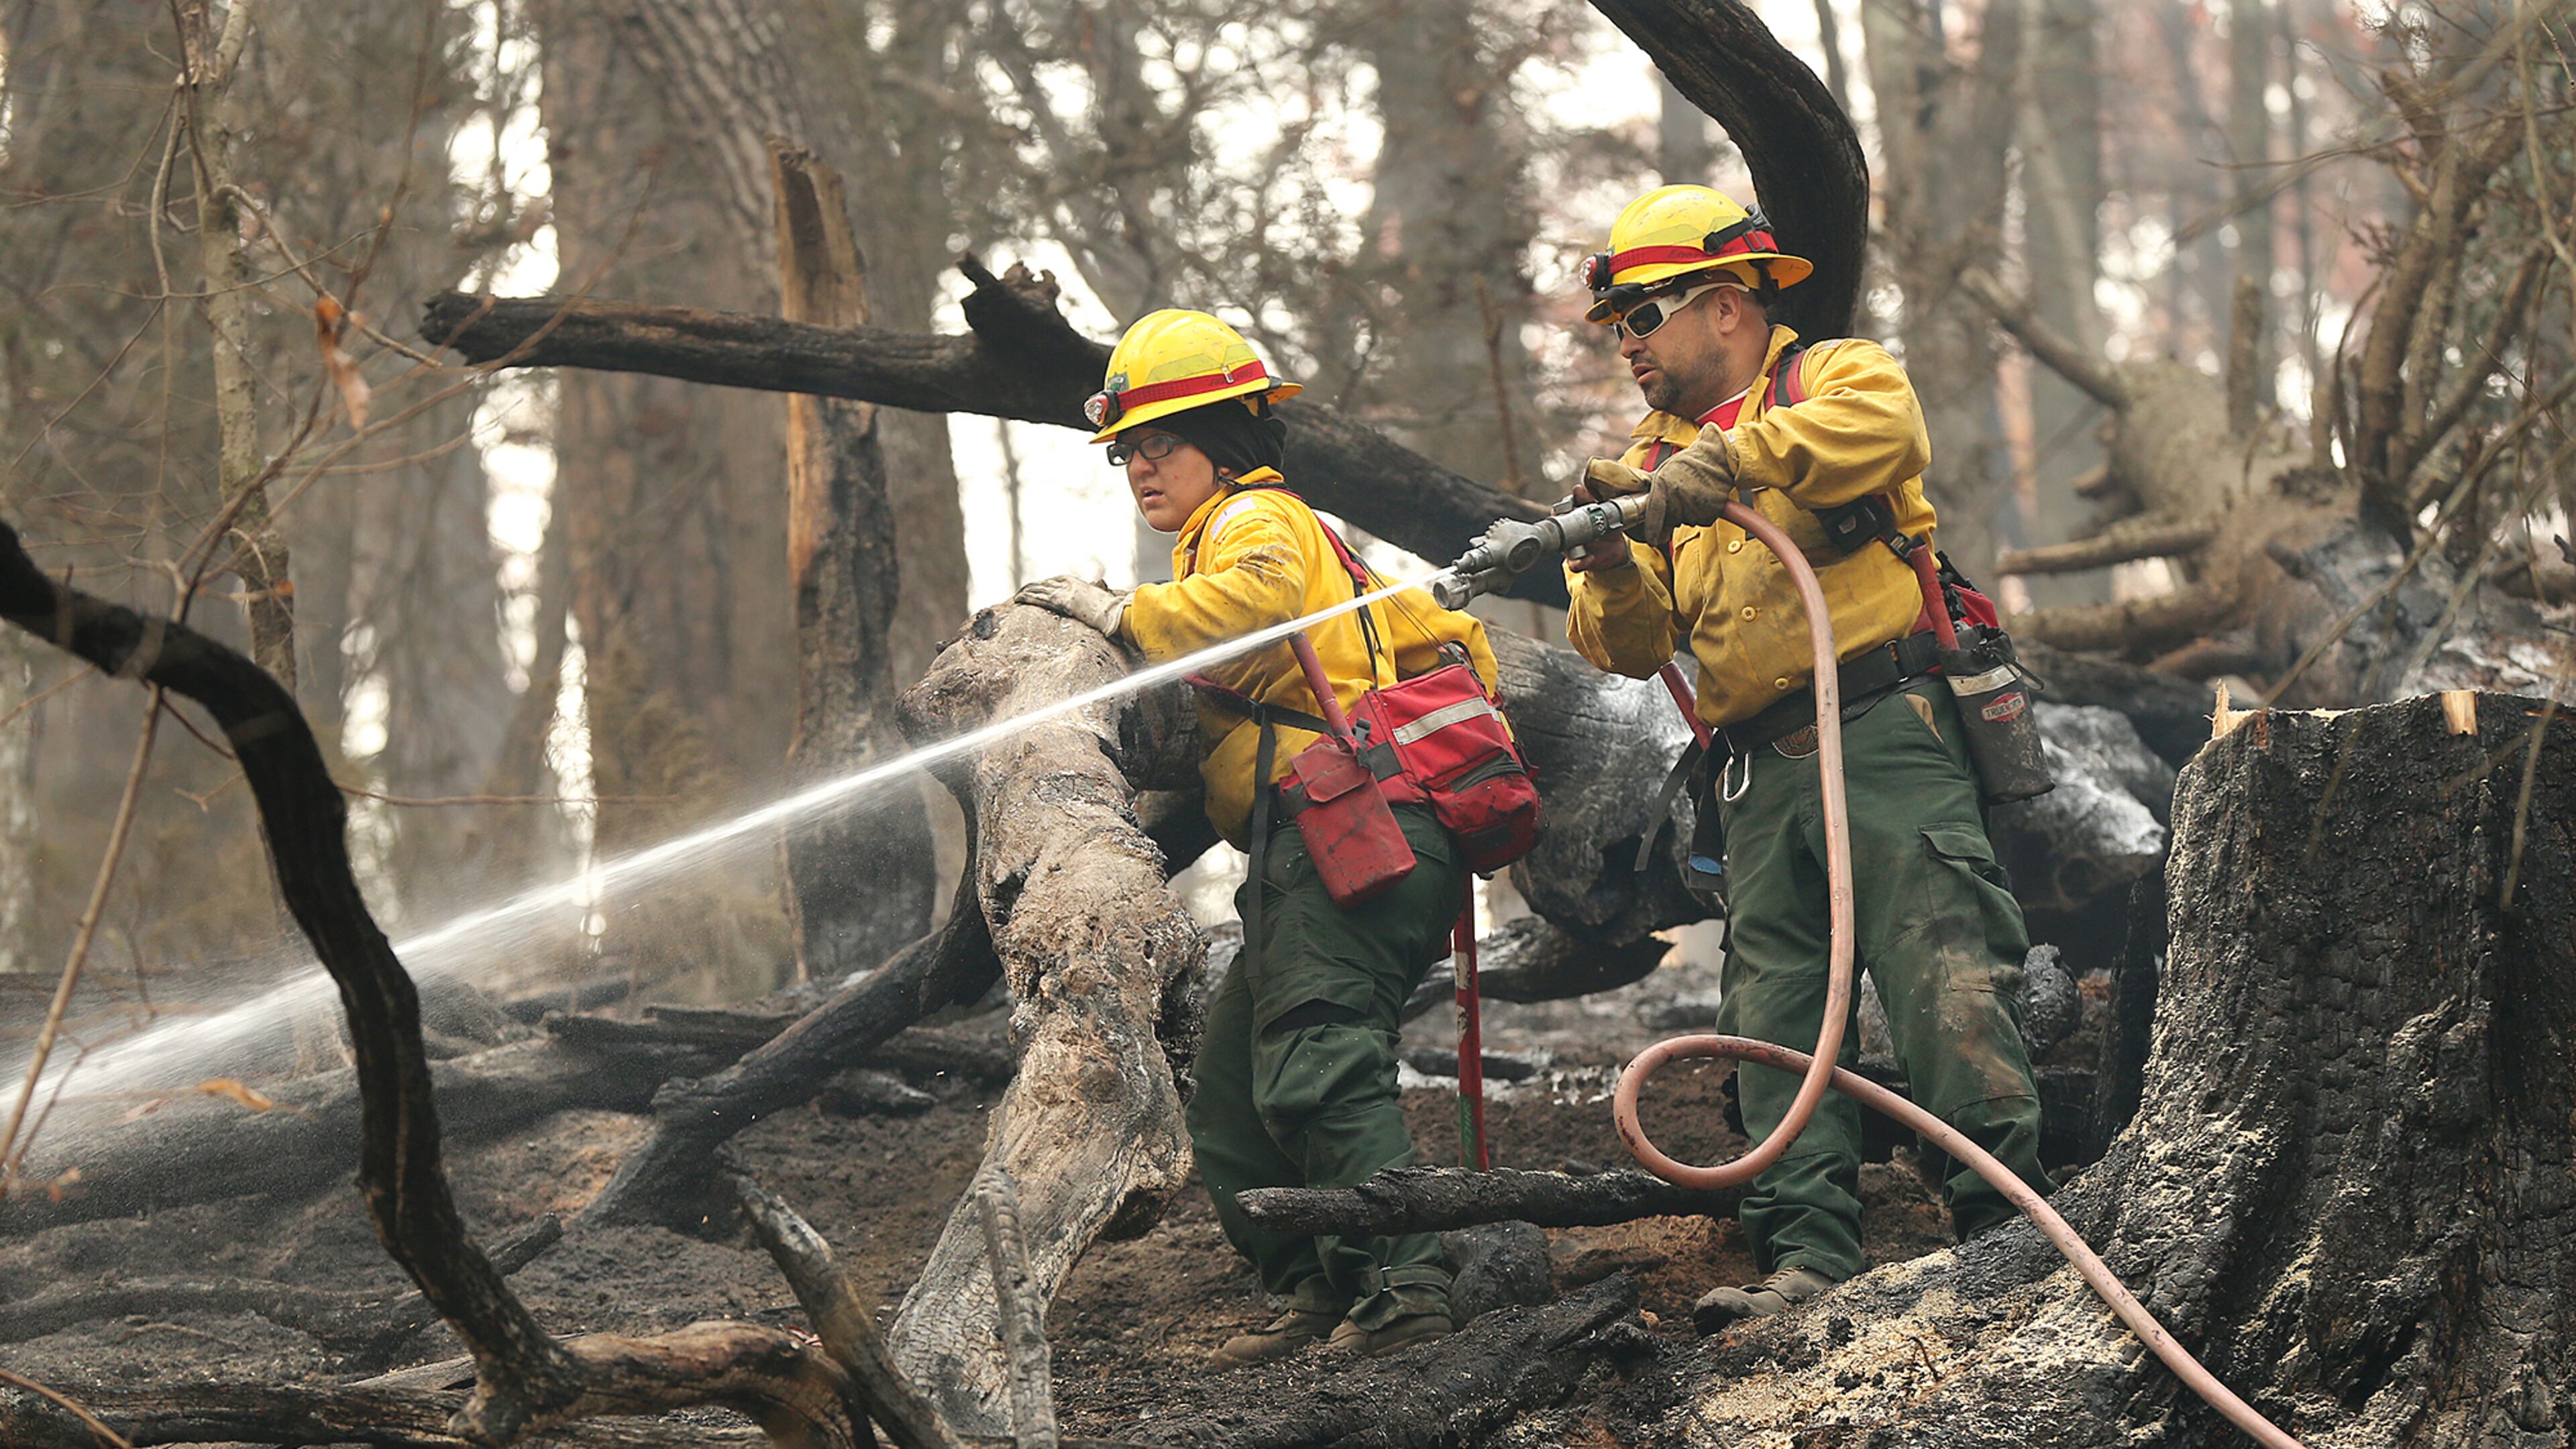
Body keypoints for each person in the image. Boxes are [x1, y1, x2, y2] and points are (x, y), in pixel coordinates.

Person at [1558, 185, 2055, 1332]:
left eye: (1642, 315)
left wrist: (1728, 463)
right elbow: (1630, 651)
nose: (1626, 345)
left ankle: (2008, 1245)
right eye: (1618, 325)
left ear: (1727, 305)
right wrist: (1610, 557)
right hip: (1757, 771)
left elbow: (1888, 439)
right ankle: (1807, 1261)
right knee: (1775, 1021)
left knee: (1946, 980)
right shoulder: (1653, 460)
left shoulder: (1837, 379)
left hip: (1884, 731)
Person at [1018, 308, 1506, 1365]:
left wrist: (1117, 613)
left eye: (1162, 442)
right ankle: (1317, 1289)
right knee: (1236, 1095)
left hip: (1349, 837)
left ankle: (1403, 1293)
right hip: (1317, 845)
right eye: (1127, 451)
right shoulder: (1235, 533)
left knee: (1320, 1063)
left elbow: (1254, 607)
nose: (1139, 467)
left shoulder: (1257, 522)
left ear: (1227, 438)